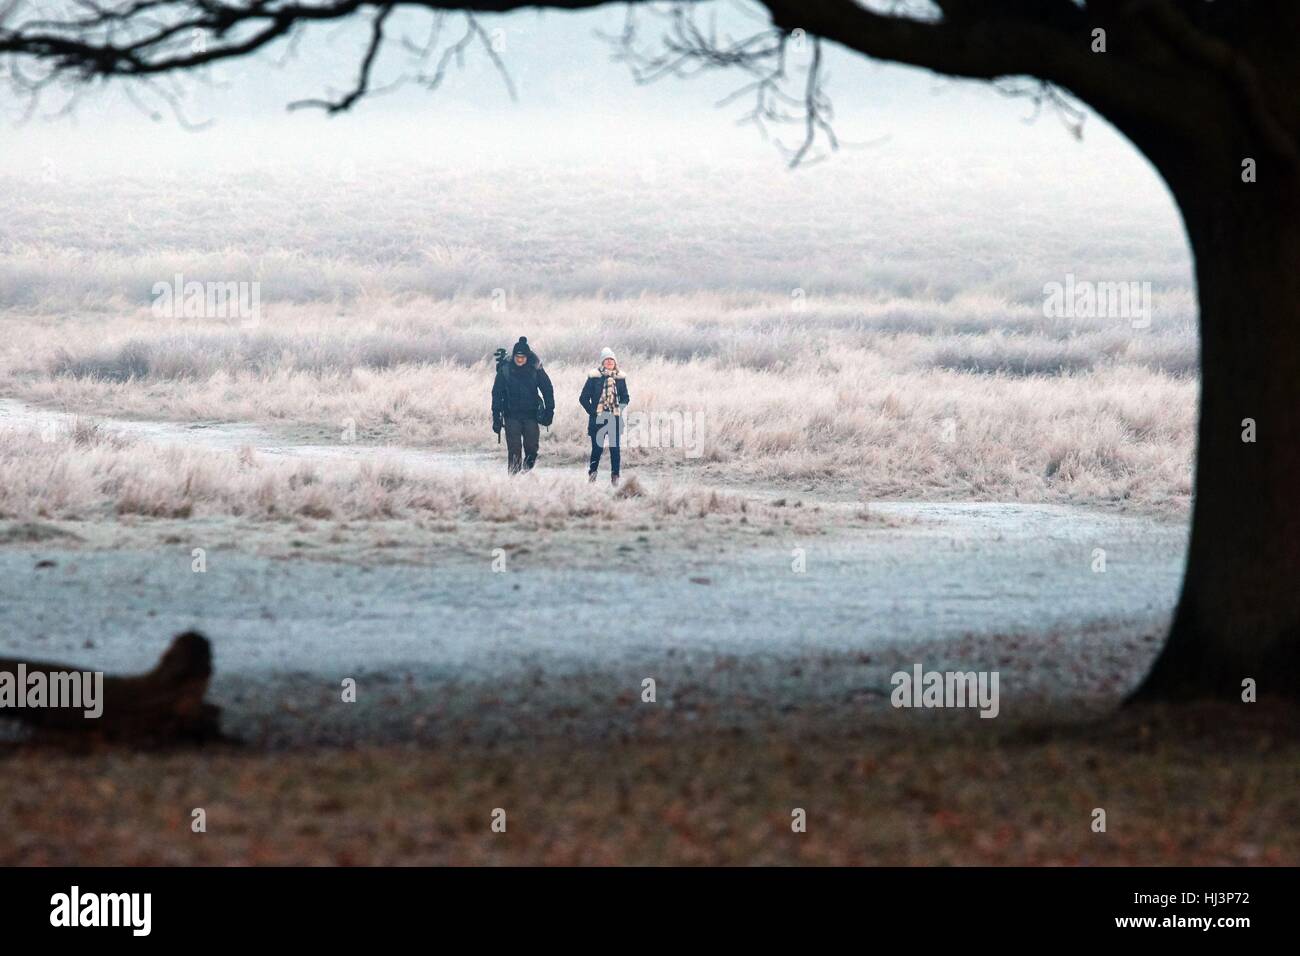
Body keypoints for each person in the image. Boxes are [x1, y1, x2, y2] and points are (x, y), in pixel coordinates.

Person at [492, 337, 554, 474]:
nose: (520, 360)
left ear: (527, 357)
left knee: (532, 449)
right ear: (513, 356)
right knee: (514, 450)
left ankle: (526, 472)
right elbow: (496, 394)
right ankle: (514, 483)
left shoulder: (535, 369)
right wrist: (496, 418)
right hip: (511, 416)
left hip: (531, 416)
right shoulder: (505, 370)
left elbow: (547, 389)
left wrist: (550, 411)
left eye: (523, 357)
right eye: (517, 357)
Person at [579, 346, 629, 485]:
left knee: (615, 449)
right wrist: (593, 412)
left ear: (615, 362)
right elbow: (583, 398)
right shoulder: (594, 377)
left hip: (614, 418)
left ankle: (615, 478)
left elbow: (626, 397)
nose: (609, 362)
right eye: (606, 360)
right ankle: (592, 476)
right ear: (602, 362)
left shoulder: (620, 378)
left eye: (611, 360)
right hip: (598, 419)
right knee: (597, 449)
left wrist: (620, 407)